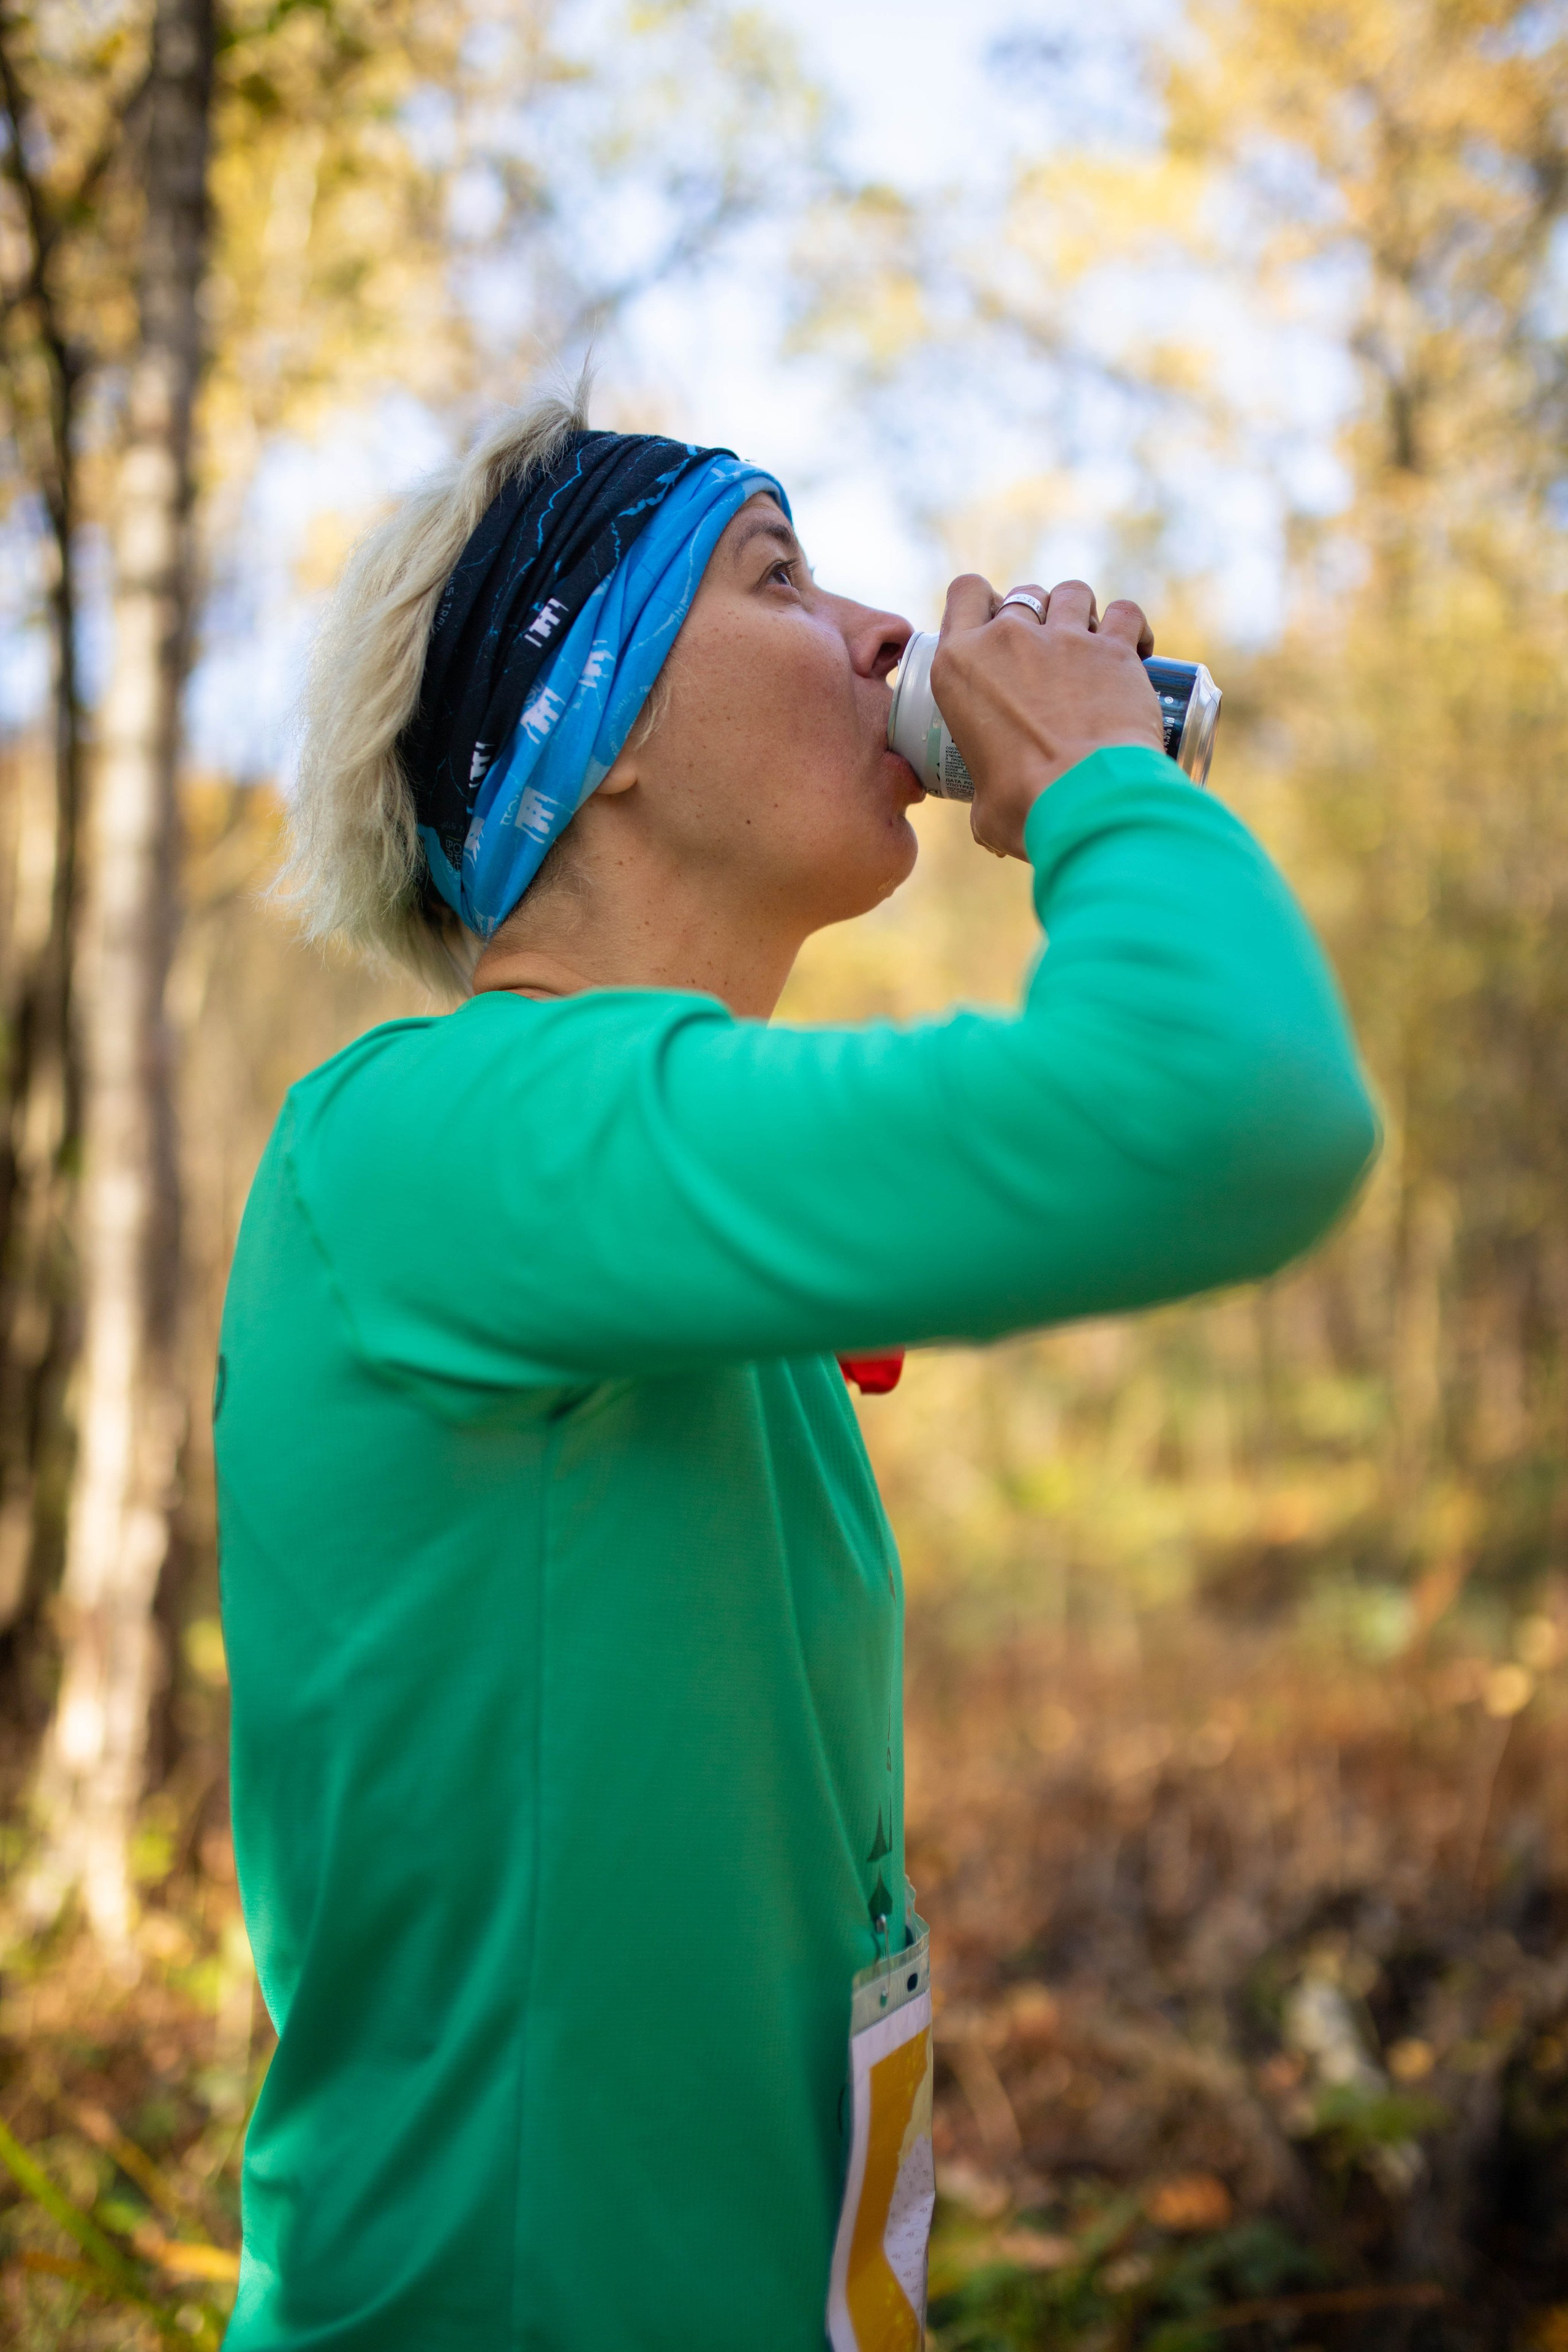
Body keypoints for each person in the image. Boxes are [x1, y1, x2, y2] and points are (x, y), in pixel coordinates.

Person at [214, 387, 1378, 2352]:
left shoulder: (677, 1268)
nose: (878, 638)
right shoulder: (423, 1140)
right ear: (592, 746)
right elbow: (1233, 1106)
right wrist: (1104, 785)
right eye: (780, 575)